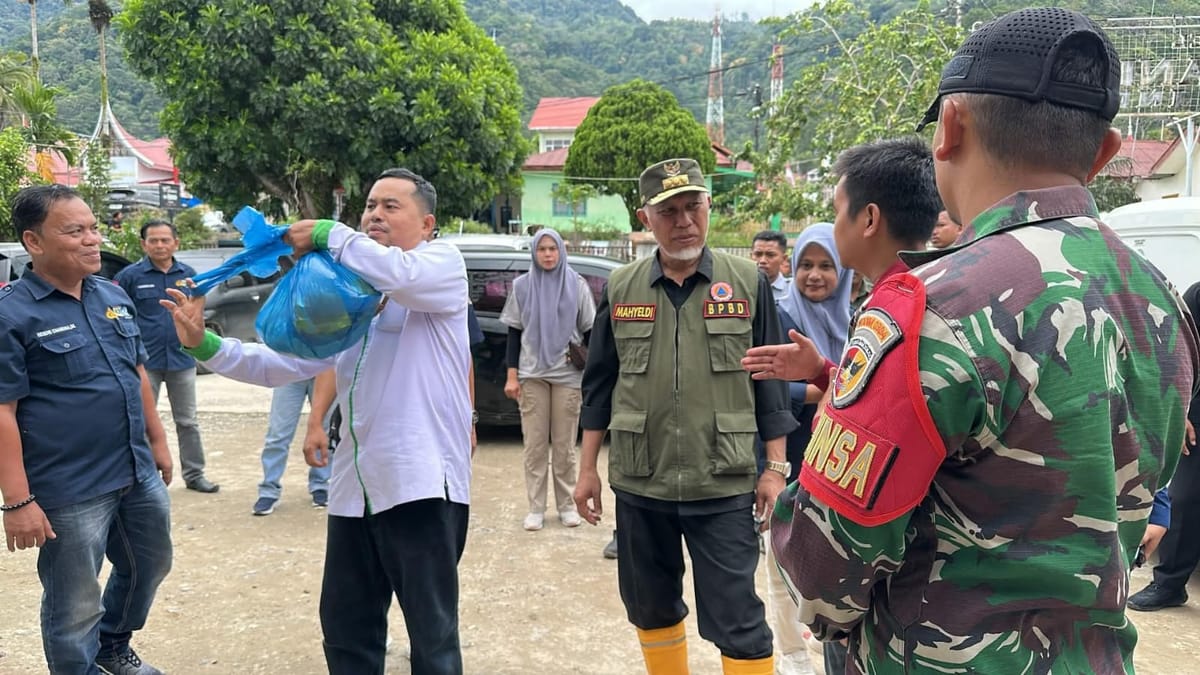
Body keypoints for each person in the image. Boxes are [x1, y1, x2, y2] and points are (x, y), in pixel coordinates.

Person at [744, 8, 1200, 672]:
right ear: (1103, 154)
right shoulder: (1159, 298)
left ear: (950, 126)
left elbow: (821, 567)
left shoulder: (928, 306)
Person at [160, 168, 473, 674]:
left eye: (391, 206)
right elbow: (286, 363)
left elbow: (403, 276)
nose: (374, 214)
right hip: (355, 490)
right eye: (370, 205)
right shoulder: (352, 295)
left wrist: (330, 231)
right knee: (346, 631)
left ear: (428, 223)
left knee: (432, 639)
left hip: (420, 486)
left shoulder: (441, 266)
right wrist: (205, 344)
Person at [574, 158, 796, 674]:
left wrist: (775, 467)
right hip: (640, 477)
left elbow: (771, 381)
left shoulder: (747, 283)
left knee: (738, 617)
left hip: (722, 479)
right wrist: (587, 469)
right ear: (645, 218)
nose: (683, 221)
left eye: (692, 206)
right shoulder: (622, 287)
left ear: (709, 207)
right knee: (649, 606)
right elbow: (600, 383)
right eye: (668, 210)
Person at [0, 184, 174, 675]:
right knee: (74, 602)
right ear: (34, 243)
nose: (92, 239)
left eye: (93, 228)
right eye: (74, 231)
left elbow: (136, 372)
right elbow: (2, 410)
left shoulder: (112, 295)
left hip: (134, 471)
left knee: (150, 563)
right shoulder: (11, 312)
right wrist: (17, 501)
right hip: (68, 487)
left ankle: (112, 645)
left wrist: (157, 441)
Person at [114, 219, 219, 493]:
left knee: (188, 421)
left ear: (176, 243)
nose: (159, 245)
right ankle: (146, 477)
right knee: (142, 420)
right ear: (143, 244)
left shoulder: (189, 276)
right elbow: (117, 317)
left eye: (165, 240)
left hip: (182, 359)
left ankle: (195, 475)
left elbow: (198, 314)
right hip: (144, 362)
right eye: (153, 240)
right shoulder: (130, 277)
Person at [501, 228, 596, 531]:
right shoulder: (522, 286)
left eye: (552, 249)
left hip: (568, 375)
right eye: (541, 249)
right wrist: (512, 377)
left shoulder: (576, 285)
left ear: (561, 251)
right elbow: (514, 334)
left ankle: (567, 505)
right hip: (532, 375)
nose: (547, 254)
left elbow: (591, 332)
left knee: (565, 445)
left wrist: (592, 370)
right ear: (534, 252)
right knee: (535, 445)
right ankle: (536, 507)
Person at [1129, 280, 1200, 611]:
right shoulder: (1198, 294)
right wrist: (1180, 409)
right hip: (1197, 416)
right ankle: (1170, 584)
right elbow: (1177, 353)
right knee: (1185, 499)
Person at [252, 377, 332, 515]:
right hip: (290, 370)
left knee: (324, 432)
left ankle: (320, 484)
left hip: (324, 371)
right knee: (278, 434)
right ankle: (269, 490)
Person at [750, 230, 790, 304]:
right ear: (751, 256)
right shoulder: (742, 289)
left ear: (784, 259)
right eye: (758, 254)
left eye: (770, 255)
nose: (762, 261)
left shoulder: (792, 292)